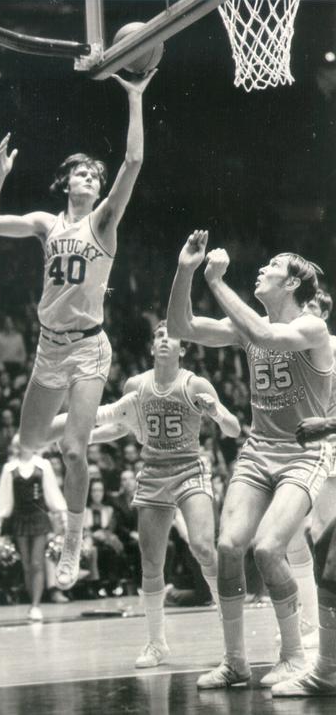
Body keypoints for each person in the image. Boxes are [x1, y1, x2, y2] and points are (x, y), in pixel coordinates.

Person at [0, 71, 156, 591]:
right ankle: (106, 416)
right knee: (27, 443)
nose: (89, 179)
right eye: (81, 174)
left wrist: (136, 98)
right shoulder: (45, 224)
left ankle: (73, 542)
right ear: (66, 182)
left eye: (94, 177)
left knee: (74, 451)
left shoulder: (102, 223)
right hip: (47, 348)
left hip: (87, 349)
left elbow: (134, 162)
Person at [167, 231, 333, 690]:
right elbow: (181, 326)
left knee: (268, 548)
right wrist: (186, 270)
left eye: (272, 267)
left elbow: (265, 333)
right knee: (227, 548)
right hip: (259, 450)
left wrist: (216, 282)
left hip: (303, 454)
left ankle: (295, 656)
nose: (261, 270)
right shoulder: (250, 325)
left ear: (292, 284)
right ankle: (235, 661)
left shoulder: (312, 328)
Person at [48, 320, 240, 666]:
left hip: (189, 469)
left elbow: (234, 428)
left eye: (173, 338)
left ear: (184, 349)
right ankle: (157, 643)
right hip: (152, 472)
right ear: (152, 347)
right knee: (151, 564)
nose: (165, 341)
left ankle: (227, 626)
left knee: (202, 546)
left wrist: (216, 412)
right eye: (159, 337)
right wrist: (81, 438)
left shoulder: (195, 383)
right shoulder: (137, 385)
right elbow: (121, 427)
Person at [284, 289, 336, 650]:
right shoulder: (290, 351)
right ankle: (313, 618)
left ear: (324, 314)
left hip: (331, 446)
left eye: (312, 308)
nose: (305, 313)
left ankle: (322, 629)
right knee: (292, 538)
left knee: (324, 538)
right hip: (303, 449)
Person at [0, 446, 67, 621]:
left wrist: (63, 517)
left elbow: (52, 492)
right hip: (20, 519)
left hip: (39, 518)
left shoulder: (43, 465)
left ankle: (35, 605)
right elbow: (4, 497)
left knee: (37, 562)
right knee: (26, 565)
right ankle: (32, 603)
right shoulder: (9, 468)